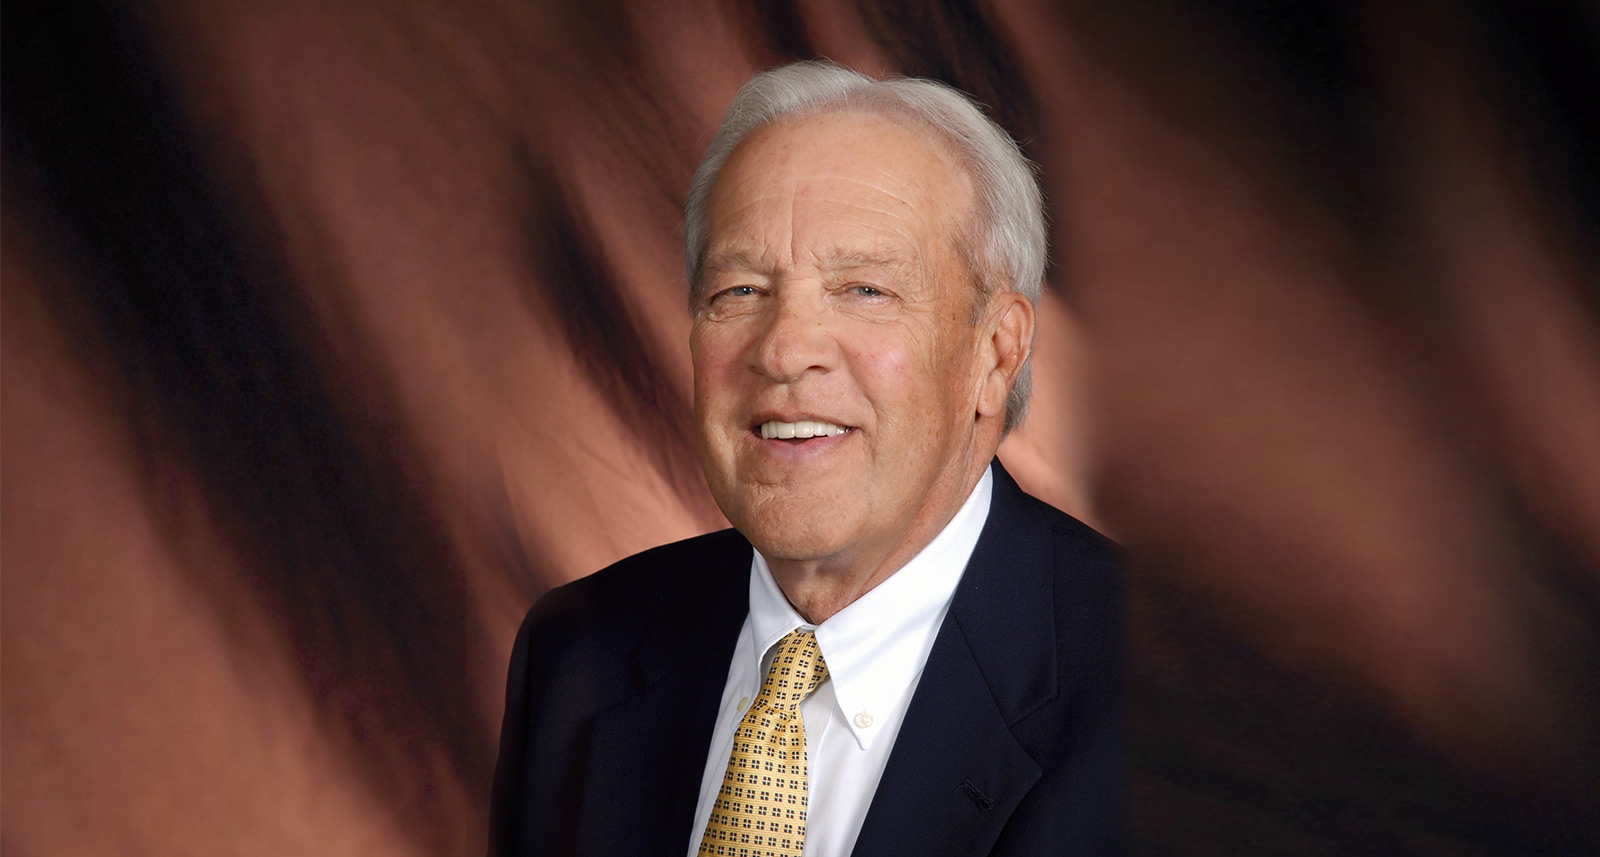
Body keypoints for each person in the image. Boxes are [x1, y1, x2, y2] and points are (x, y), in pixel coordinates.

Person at [489, 61, 1121, 857]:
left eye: (863, 290)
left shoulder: (1177, 705)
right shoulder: (580, 650)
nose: (784, 350)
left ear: (995, 355)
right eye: (740, 292)